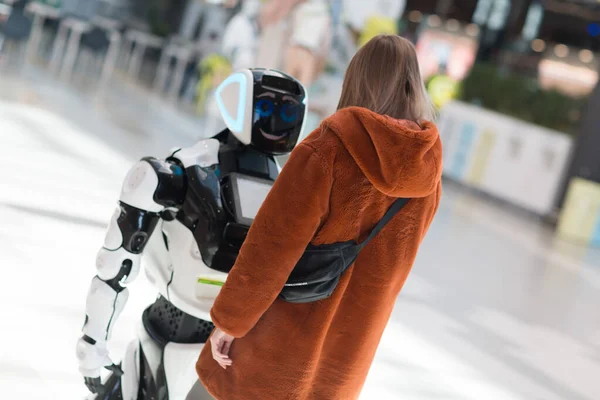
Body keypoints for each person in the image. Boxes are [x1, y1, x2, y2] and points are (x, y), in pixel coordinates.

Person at [196, 34, 443, 399]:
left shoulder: (327, 150)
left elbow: (272, 247)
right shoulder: (427, 177)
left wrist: (229, 322)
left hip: (276, 352)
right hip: (344, 363)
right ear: (413, 85)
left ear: (355, 79)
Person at [75, 68, 307, 400]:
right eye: (267, 108)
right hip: (168, 332)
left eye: (286, 111)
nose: (274, 123)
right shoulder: (186, 172)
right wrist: (93, 342)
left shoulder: (290, 191)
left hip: (227, 352)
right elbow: (116, 263)